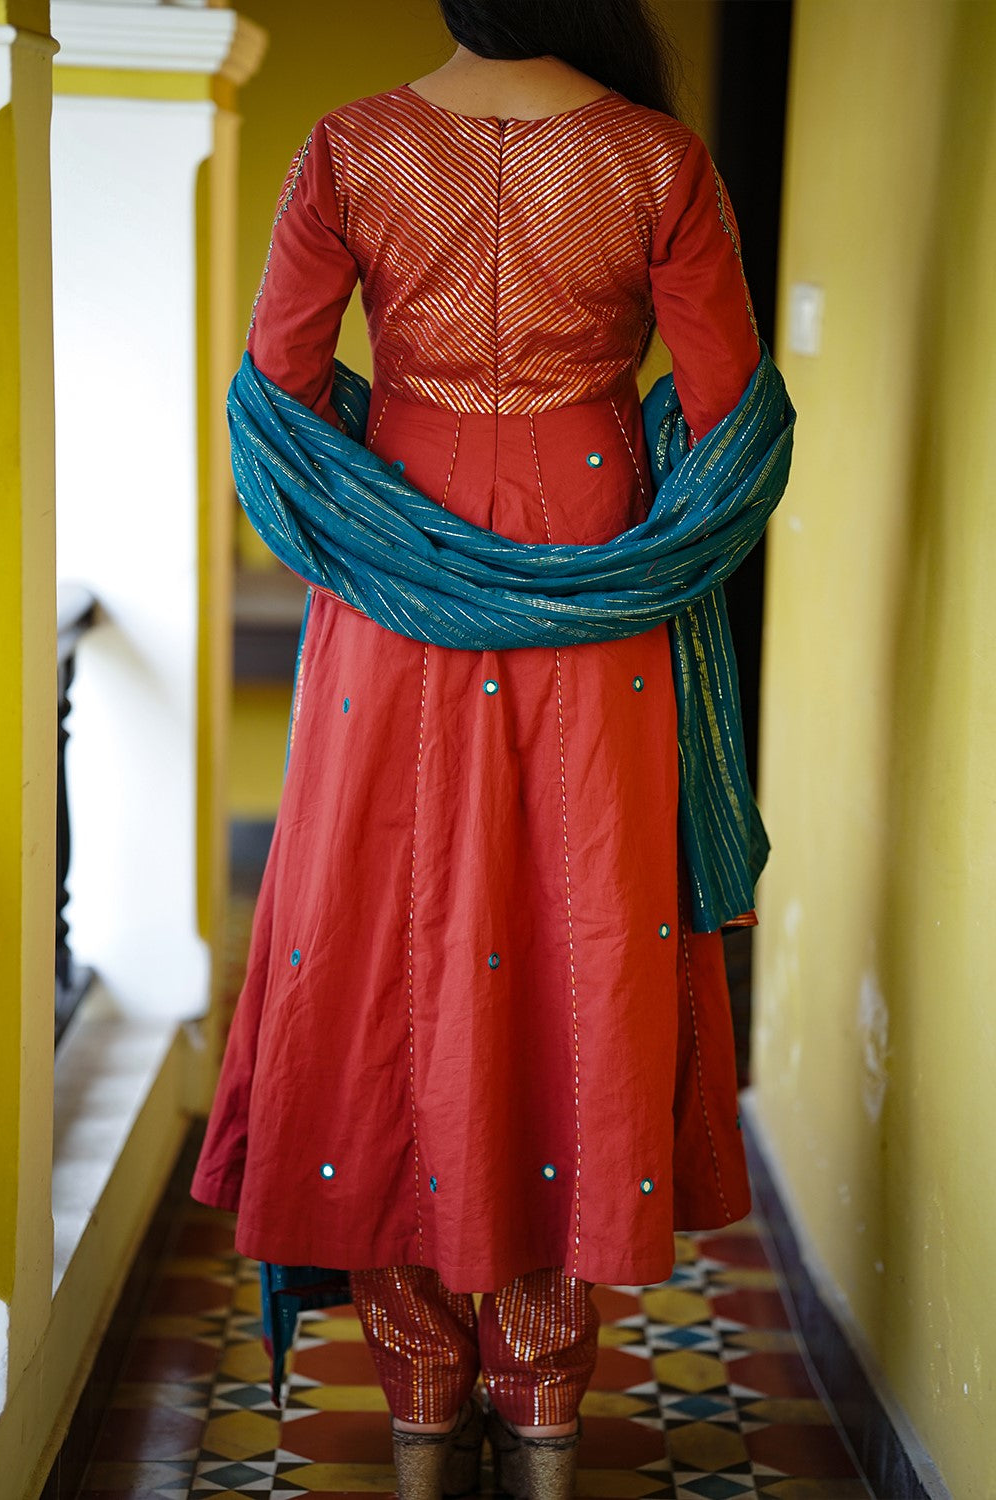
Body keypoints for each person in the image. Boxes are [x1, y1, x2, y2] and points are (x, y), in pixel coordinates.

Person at [192, 2, 777, 1495]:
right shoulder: (659, 159)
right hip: (601, 587)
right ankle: (543, 1409)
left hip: (392, 595)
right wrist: (617, 470)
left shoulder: (354, 147)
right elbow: (732, 419)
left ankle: (417, 1394)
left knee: (377, 926)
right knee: (580, 933)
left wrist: (395, 490)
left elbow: (276, 383)